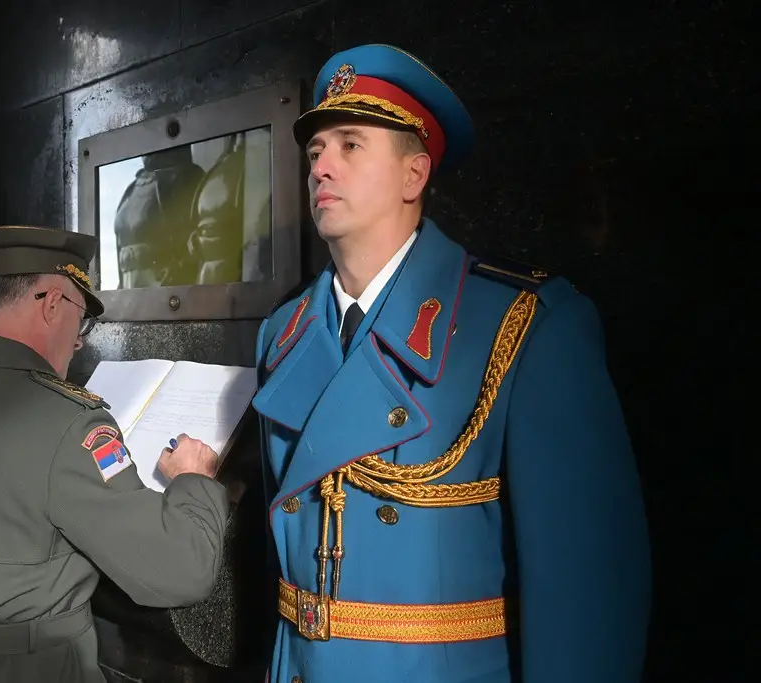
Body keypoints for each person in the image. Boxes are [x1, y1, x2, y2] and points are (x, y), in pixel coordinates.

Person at [252, 44, 651, 683]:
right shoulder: (282, 333)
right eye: (316, 150)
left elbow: (585, 593)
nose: (322, 166)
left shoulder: (523, 328)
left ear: (414, 176)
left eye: (350, 145)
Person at [0, 225, 229, 683]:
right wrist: (193, 480)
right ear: (53, 303)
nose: (79, 340)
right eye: (82, 318)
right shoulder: (69, 422)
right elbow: (182, 571)